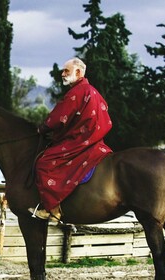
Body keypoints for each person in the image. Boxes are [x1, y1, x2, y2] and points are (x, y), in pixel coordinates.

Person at [30, 58, 113, 221]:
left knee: (44, 163)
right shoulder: (94, 92)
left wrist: (42, 128)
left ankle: (53, 209)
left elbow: (59, 118)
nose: (62, 74)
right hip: (96, 143)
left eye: (66, 71)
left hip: (78, 142)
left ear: (78, 72)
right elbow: (107, 119)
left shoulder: (77, 92)